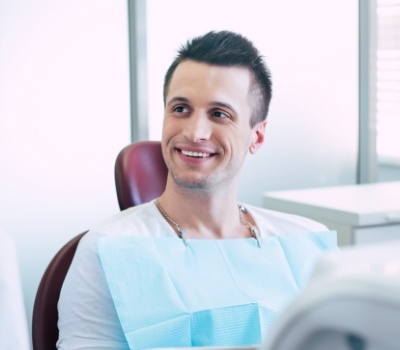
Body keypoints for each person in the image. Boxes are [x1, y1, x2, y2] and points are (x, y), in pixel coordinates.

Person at [57, 31, 337, 350]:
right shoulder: (109, 249)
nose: (194, 132)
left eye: (219, 114)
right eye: (180, 109)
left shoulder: (307, 244)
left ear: (257, 137)